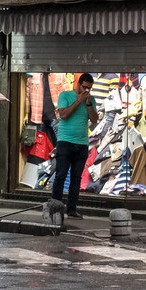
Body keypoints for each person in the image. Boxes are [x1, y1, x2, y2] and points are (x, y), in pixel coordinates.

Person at [52, 73, 98, 219]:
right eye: (84, 87)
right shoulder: (65, 96)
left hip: (82, 143)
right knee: (60, 175)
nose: (86, 91)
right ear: (78, 84)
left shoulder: (91, 100)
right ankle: (56, 207)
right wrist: (78, 101)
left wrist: (89, 103)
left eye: (89, 88)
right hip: (65, 142)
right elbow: (64, 115)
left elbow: (94, 119)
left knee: (76, 178)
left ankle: (72, 209)